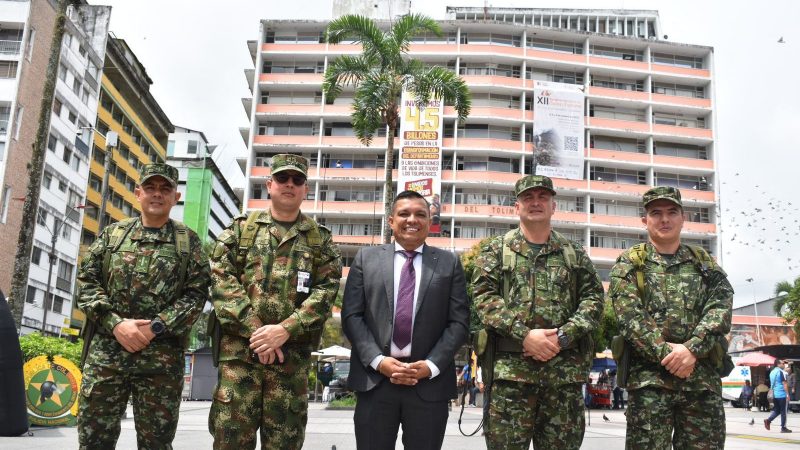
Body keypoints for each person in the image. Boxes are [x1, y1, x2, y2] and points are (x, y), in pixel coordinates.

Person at [208, 154, 342, 449]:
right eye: (282, 178)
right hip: (240, 361)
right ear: (269, 184)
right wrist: (259, 334)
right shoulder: (241, 230)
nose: (289, 185)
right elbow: (221, 280)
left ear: (306, 189)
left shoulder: (320, 241)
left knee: (284, 444)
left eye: (297, 180)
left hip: (289, 364)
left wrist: (284, 330)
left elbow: (326, 291)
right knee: (230, 442)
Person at [76, 163, 210, 449]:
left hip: (160, 361)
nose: (157, 194)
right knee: (93, 441)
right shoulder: (113, 236)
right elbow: (86, 283)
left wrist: (156, 327)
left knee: (156, 444)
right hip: (106, 358)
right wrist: (116, 324)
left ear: (176, 197)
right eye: (150, 187)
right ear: (138, 193)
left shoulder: (188, 243)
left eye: (165, 189)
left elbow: (197, 294)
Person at [472, 175, 605, 450]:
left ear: (553, 205)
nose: (535, 203)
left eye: (543, 197)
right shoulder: (495, 251)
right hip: (511, 379)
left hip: (563, 380)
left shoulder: (574, 254)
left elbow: (593, 299)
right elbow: (484, 300)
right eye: (528, 198)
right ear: (516, 206)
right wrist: (524, 336)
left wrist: (564, 337)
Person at [342, 190, 469, 450]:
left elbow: (459, 322)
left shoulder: (449, 263)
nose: (412, 219)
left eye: (420, 214)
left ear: (430, 221)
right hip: (376, 383)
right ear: (391, 221)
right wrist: (379, 361)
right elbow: (352, 316)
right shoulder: (366, 259)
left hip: (429, 386)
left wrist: (431, 365)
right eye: (404, 213)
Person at [609, 186, 733, 450]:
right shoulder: (630, 263)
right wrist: (670, 354)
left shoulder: (703, 262)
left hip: (701, 383)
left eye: (671, 212)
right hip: (650, 384)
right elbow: (629, 316)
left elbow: (721, 305)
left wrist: (692, 349)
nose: (664, 219)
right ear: (645, 220)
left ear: (682, 217)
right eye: (656, 213)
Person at [765, 360, 792, 432]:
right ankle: (783, 427)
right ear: (778, 364)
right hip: (782, 395)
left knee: (777, 410)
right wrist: (787, 394)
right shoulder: (781, 372)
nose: (784, 364)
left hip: (774, 395)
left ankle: (768, 420)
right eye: (783, 363)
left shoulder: (772, 372)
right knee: (784, 412)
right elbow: (785, 384)